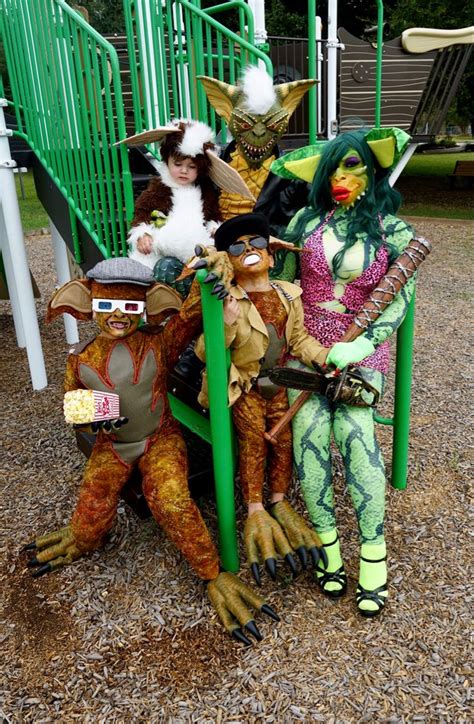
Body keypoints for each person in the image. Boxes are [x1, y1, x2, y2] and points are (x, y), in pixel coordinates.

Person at [22, 257, 279, 645]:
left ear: (146, 307)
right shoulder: (80, 359)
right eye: (107, 306)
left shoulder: (159, 340)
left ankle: (214, 574)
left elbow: (191, 315)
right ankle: (82, 538)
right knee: (94, 499)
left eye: (129, 306)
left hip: (160, 438)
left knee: (172, 500)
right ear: (88, 305)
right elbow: (71, 404)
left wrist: (207, 278)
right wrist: (92, 414)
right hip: (114, 445)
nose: (119, 316)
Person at [272, 127, 416, 617]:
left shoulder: (390, 228)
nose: (341, 175)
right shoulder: (304, 221)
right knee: (309, 431)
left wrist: (362, 342)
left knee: (356, 433)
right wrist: (302, 343)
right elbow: (282, 289)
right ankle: (329, 548)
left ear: (370, 170)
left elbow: (401, 299)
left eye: (352, 164)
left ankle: (373, 555)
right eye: (333, 166)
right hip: (306, 350)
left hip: (361, 353)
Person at [192, 213, 329, 584]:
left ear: (271, 255)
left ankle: (279, 499)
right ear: (229, 261)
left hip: (280, 384)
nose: (249, 250)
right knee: (253, 443)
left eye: (256, 243)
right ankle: (254, 506)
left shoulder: (288, 294)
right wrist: (227, 317)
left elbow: (298, 340)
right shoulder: (226, 298)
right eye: (237, 247)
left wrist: (326, 357)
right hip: (247, 385)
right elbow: (207, 353)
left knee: (283, 441)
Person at [198, 65, 316, 272]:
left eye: (271, 125)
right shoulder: (211, 165)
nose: (260, 131)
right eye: (247, 124)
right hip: (221, 244)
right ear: (228, 113)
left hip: (268, 250)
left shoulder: (290, 172)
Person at [125, 120, 222, 286]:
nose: (184, 171)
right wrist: (142, 234)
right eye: (178, 164)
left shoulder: (205, 191)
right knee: (164, 268)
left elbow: (213, 216)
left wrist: (215, 228)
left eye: (191, 167)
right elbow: (142, 214)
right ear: (167, 160)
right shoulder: (159, 189)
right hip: (163, 253)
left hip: (196, 252)